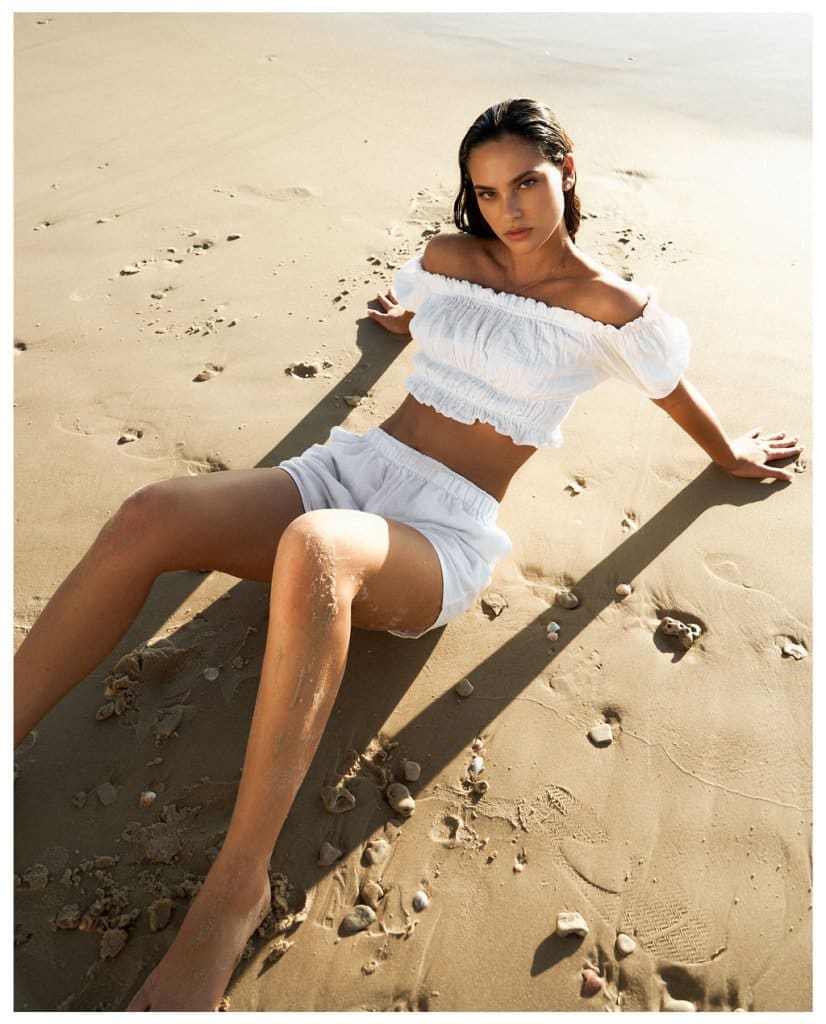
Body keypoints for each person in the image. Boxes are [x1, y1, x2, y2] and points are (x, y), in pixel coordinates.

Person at [14, 98, 801, 1011]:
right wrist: (401, 320)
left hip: (438, 535)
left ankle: (234, 894)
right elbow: (421, 307)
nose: (508, 208)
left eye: (526, 183)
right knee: (148, 514)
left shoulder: (611, 309)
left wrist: (729, 453)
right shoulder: (449, 259)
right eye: (487, 191)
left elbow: (674, 392)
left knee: (315, 549)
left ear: (567, 171)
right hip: (350, 471)